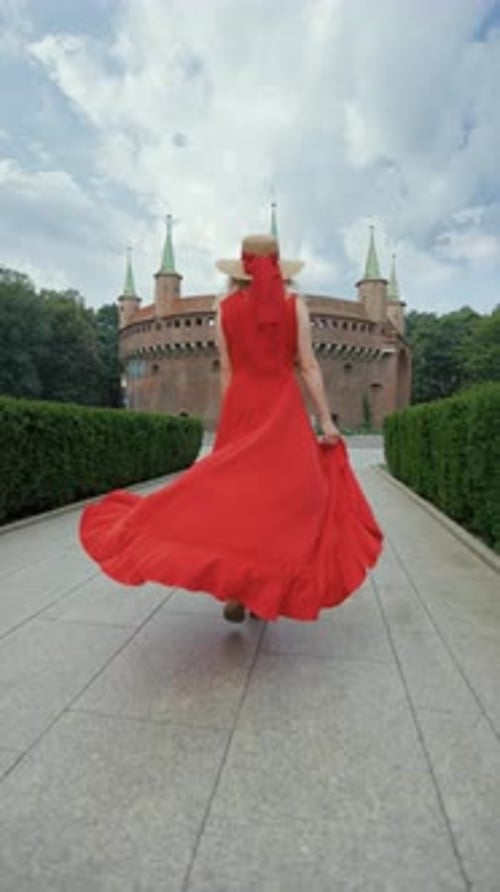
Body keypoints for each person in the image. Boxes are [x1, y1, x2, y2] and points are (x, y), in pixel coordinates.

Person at [79, 234, 383, 623]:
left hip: (243, 407)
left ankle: (238, 592)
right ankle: (260, 588)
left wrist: (232, 417)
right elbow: (307, 365)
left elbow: (228, 369)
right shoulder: (296, 306)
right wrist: (325, 420)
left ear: (239, 270)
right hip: (283, 409)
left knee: (234, 498)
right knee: (283, 502)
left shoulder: (223, 309)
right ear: (277, 266)